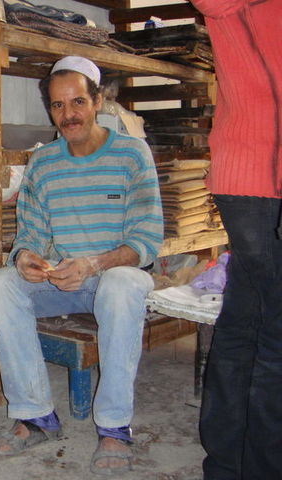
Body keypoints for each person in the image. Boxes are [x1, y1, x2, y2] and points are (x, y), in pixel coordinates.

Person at [0, 55, 163, 476]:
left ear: (98, 101)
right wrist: (25, 257)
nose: (69, 114)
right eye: (58, 105)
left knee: (120, 284)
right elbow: (30, 234)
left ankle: (114, 427)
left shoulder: (132, 154)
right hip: (63, 279)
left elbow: (145, 241)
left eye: (78, 102)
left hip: (113, 277)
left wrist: (94, 264)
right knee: (2, 283)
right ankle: (36, 416)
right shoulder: (43, 163)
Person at [186, 1, 282, 478]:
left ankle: (226, 464)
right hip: (263, 169)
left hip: (248, 169)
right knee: (273, 337)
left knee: (245, 322)